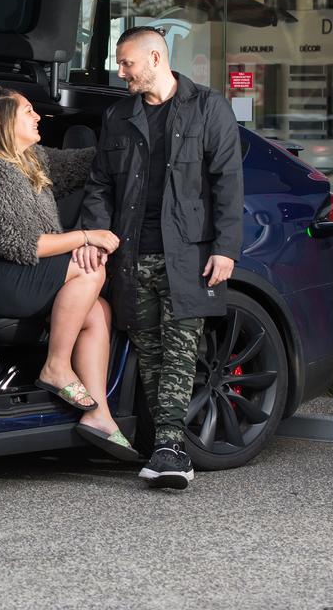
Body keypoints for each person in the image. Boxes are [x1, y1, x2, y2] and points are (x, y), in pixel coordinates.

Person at [79, 26, 243, 489]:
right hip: (132, 252)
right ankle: (166, 447)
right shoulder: (118, 115)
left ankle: (171, 449)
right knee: (150, 351)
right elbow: (100, 184)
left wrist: (226, 248)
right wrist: (96, 237)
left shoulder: (208, 108)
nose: (121, 71)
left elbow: (227, 182)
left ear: (155, 58)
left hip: (188, 254)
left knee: (180, 347)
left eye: (127, 62)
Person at [0, 84, 137, 461]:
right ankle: (56, 366)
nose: (37, 116)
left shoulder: (33, 161)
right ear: (3, 122)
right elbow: (23, 245)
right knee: (88, 265)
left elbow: (84, 163)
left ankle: (98, 414)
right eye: (28, 111)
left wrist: (127, 146)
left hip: (30, 276)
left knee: (99, 313)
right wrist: (86, 236)